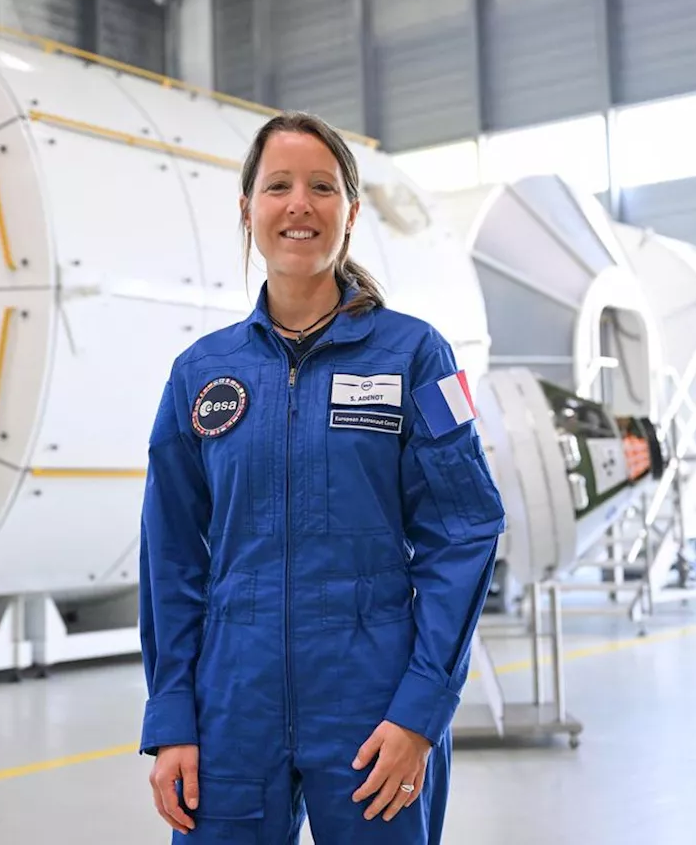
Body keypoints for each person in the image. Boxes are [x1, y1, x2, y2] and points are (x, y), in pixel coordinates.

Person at [137, 110, 505, 844]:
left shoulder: (416, 356)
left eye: (321, 187)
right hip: (231, 704)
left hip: (373, 702)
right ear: (248, 211)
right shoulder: (201, 374)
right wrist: (172, 715)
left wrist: (420, 711)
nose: (298, 204)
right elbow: (171, 555)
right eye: (277, 186)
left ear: (352, 212)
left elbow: (464, 532)